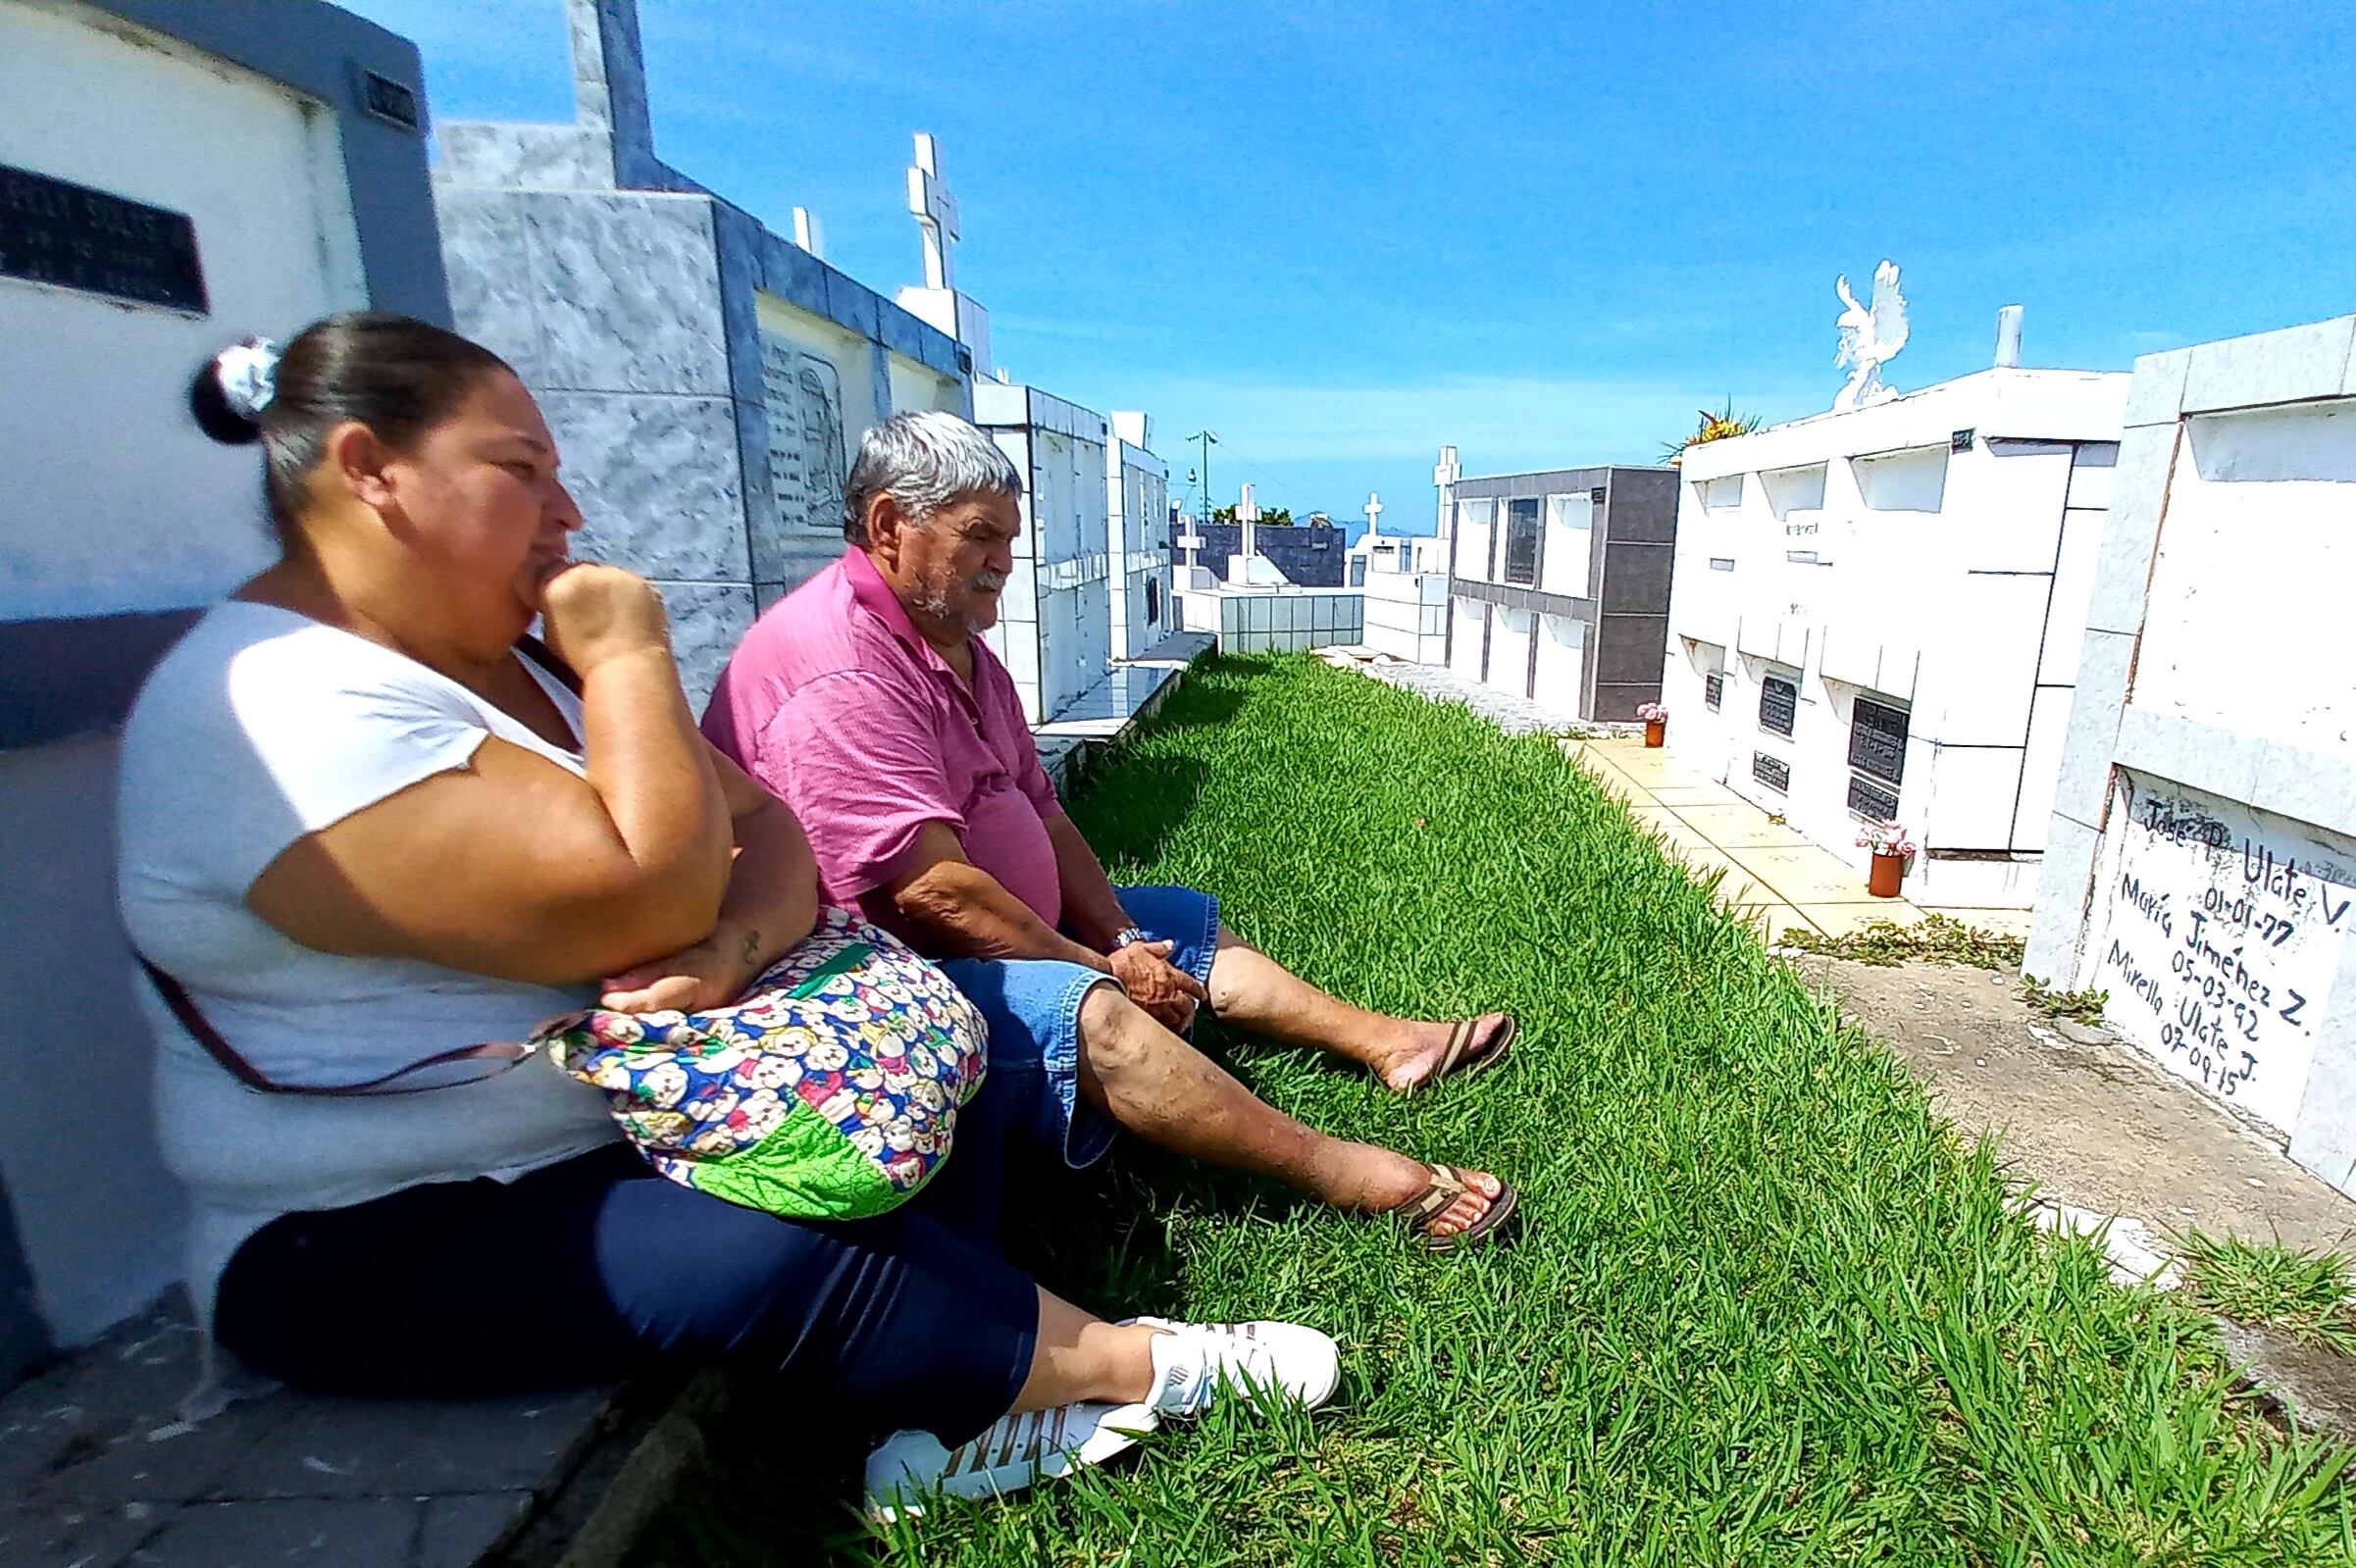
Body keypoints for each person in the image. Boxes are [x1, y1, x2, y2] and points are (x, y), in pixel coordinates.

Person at [120, 314, 1333, 1512]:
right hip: (378, 1230)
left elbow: (770, 841)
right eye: (520, 469)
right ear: (368, 472)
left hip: (630, 1121)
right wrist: (631, 658)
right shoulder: (281, 706)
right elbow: (639, 895)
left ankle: (940, 1418)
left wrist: (731, 948)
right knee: (781, 1257)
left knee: (899, 1091)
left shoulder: (504, 667)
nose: (567, 512)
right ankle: (1145, 1366)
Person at [701, 411, 1520, 1249]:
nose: (1004, 565)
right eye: (981, 536)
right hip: (891, 979)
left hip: (1002, 929)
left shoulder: (952, 645)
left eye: (1008, 541)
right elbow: (933, 891)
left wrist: (1123, 934)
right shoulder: (839, 669)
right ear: (888, 526)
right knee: (1088, 1007)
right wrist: (1105, 968)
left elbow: (1040, 806)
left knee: (1174, 919)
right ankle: (1346, 1171)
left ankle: (1388, 1043)